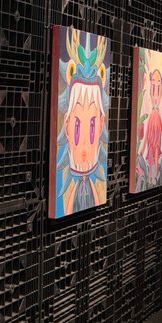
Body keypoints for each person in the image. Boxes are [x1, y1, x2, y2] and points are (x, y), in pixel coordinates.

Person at [56, 28, 108, 215]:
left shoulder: (101, 182)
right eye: (77, 126)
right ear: (67, 125)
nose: (85, 142)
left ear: (101, 125)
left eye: (92, 126)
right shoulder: (58, 176)